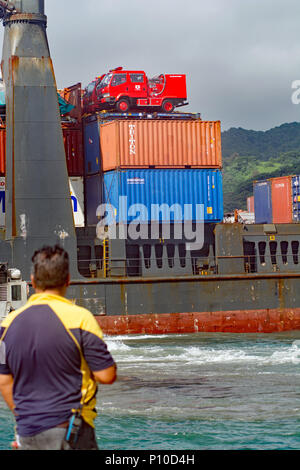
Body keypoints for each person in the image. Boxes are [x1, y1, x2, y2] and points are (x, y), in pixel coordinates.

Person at [0, 245, 117, 450]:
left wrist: (25, 420)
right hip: (71, 430)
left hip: (27, 433)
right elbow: (106, 375)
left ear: (33, 281)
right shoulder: (81, 319)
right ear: (68, 280)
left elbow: (4, 381)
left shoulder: (7, 325)